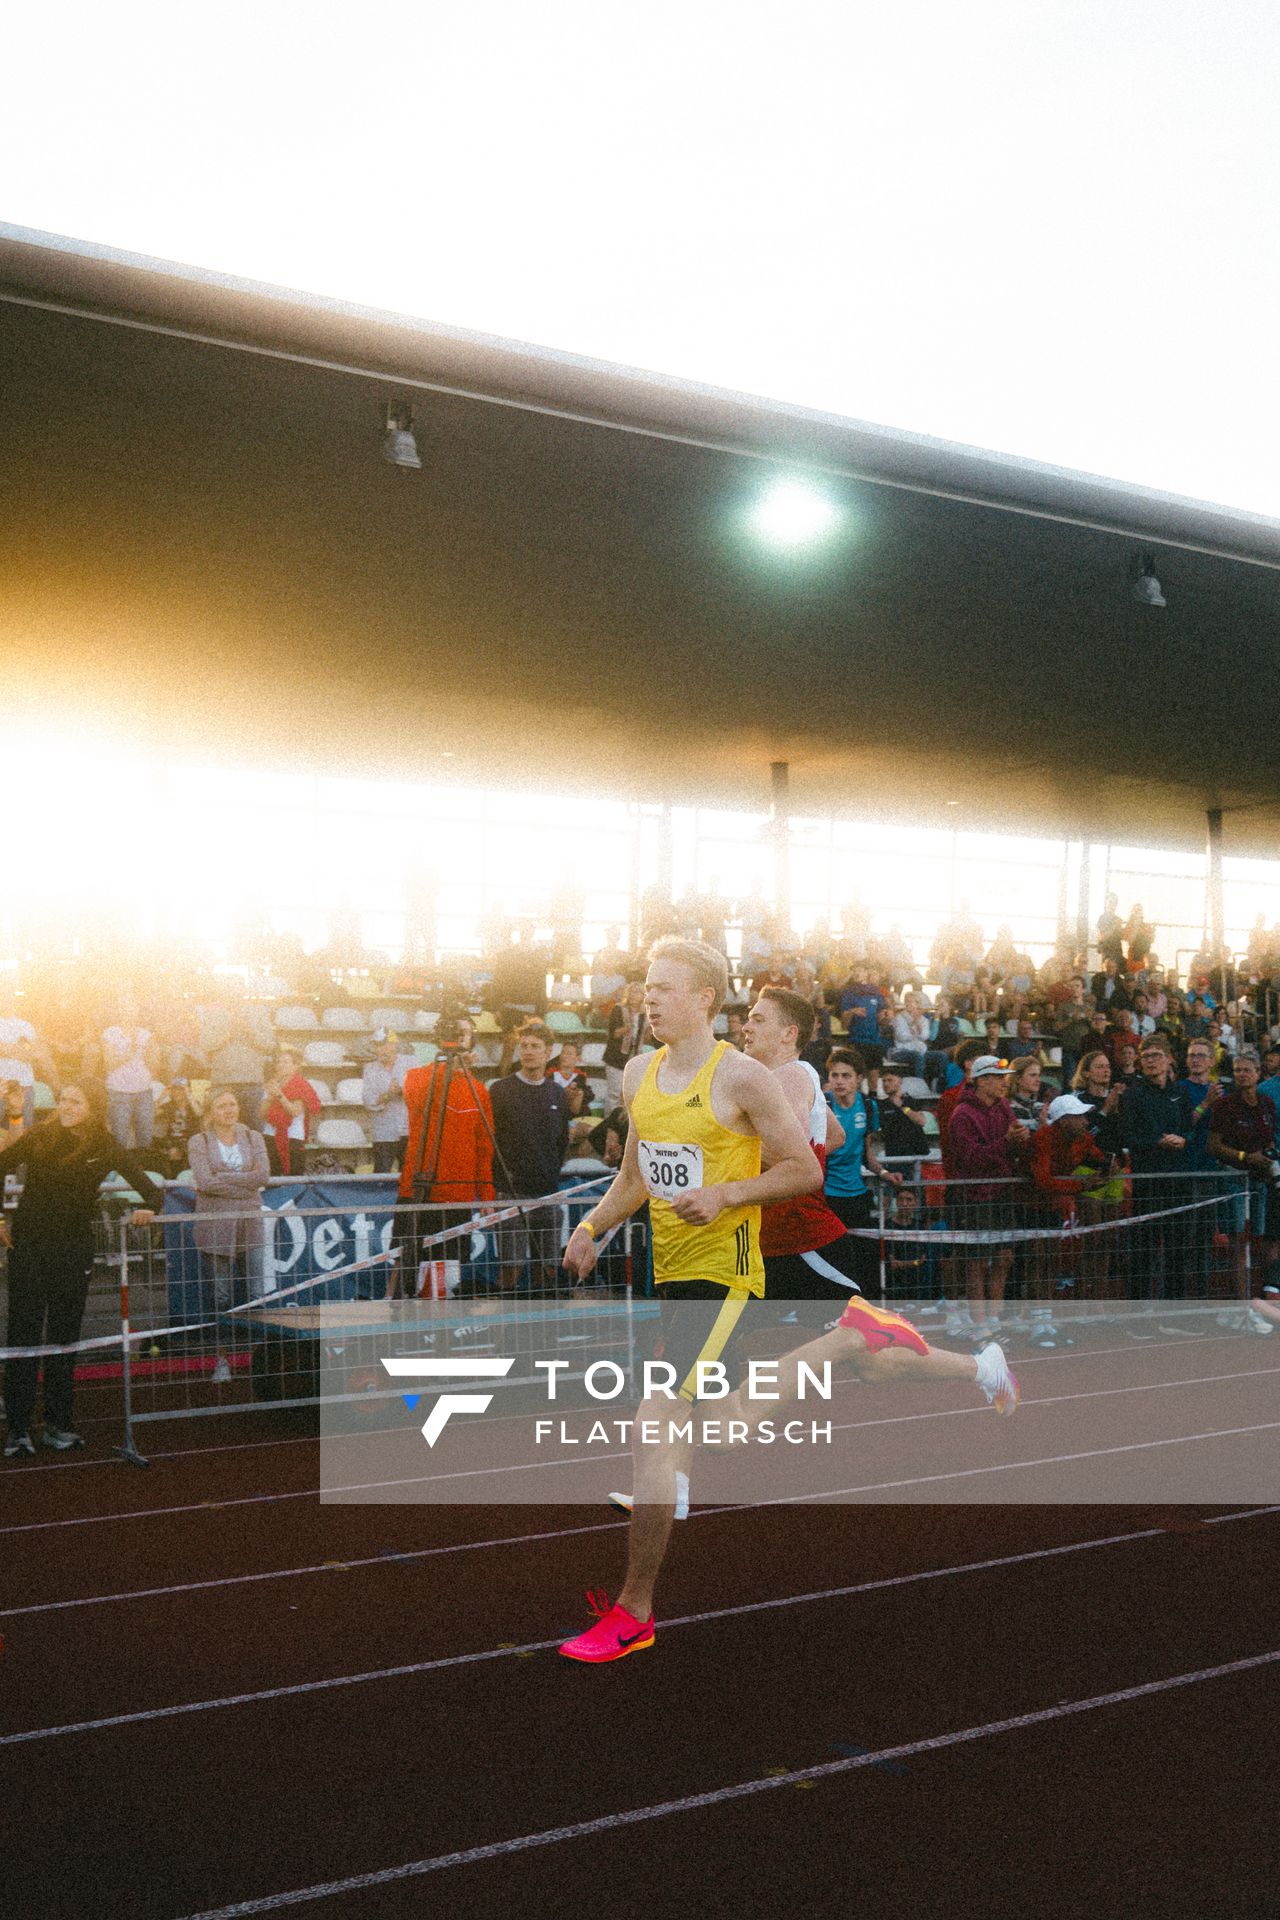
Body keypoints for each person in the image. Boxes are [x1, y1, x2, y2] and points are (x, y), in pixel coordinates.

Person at [557, 937, 823, 1662]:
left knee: (655, 1424)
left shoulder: (744, 1078)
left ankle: (634, 1610)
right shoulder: (639, 1073)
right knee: (726, 1419)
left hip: (728, 1276)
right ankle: (855, 1343)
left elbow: (803, 1169)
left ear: (705, 998)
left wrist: (729, 1192)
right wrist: (591, 1227)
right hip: (668, 1277)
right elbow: (636, 1178)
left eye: (665, 987)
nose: (648, 998)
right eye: (646, 985)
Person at [2, 1081, 163, 1457]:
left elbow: (150, 1188)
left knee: (63, 1340)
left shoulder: (104, 1143)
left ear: (92, 1107)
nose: (67, 1105)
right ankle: (18, 1429)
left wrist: (149, 1208)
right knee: (23, 1337)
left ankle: (58, 1424)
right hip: (29, 1248)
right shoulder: (41, 1135)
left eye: (75, 1100)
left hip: (73, 1252)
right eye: (63, 1099)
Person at [398, 1014, 495, 1295]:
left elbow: (484, 1147)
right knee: (408, 1267)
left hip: (458, 1195)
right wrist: (449, 1069)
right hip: (417, 1190)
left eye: (464, 1033)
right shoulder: (417, 1076)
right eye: (454, 1032)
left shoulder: (478, 1090)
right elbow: (415, 1098)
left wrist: (485, 1194)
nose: (459, 1038)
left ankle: (445, 1331)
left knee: (450, 1273)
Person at [188, 1087, 271, 1385]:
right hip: (216, 1225)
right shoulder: (198, 1141)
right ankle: (221, 1359)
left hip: (250, 1222)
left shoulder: (253, 1137)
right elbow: (204, 1180)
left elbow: (264, 1176)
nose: (229, 1110)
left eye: (233, 1104)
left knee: (255, 1294)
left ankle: (262, 1361)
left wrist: (223, 1179)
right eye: (221, 1105)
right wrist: (243, 1186)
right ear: (210, 1111)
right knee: (220, 1296)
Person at [946, 1055, 1029, 1336]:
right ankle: (980, 1324)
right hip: (974, 1197)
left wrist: (1020, 1139)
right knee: (976, 1262)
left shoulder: (1003, 1106)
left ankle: (993, 1320)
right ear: (982, 1080)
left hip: (1002, 1193)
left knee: (1004, 1257)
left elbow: (1010, 1142)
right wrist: (1007, 1143)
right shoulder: (962, 1115)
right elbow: (970, 1160)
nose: (1005, 1083)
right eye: (999, 1077)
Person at [489, 1020, 570, 1292]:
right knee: (510, 1269)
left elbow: (560, 1143)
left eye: (535, 1046)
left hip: (548, 1195)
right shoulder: (500, 1090)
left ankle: (544, 1330)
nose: (528, 1051)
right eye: (524, 1046)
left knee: (547, 1269)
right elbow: (492, 1142)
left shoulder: (558, 1093)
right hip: (512, 1195)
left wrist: (550, 1176)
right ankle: (506, 1331)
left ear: (548, 1052)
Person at [1206, 1049, 1277, 1333]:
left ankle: (1259, 1305)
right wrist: (1244, 1158)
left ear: (1259, 1073)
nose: (1241, 1075)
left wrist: (1268, 1157)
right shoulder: (1225, 1106)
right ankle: (1241, 1306)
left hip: (1262, 1181)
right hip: (1235, 1181)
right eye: (1237, 1070)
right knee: (1238, 1243)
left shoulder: (1267, 1104)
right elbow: (1213, 1146)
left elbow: (1269, 1138)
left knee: (1257, 1241)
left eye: (1247, 1070)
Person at [823, 1046, 901, 1230]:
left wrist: (884, 1173)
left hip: (856, 1193)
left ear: (859, 1079)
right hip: (826, 1195)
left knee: (861, 1253)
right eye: (835, 1075)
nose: (839, 1081)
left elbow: (866, 1154)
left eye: (846, 1076)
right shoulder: (821, 1105)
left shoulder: (868, 1106)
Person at [102, 1007, 161, 1149]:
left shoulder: (146, 1035)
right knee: (119, 1140)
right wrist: (131, 1051)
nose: (129, 1012)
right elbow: (109, 1063)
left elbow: (155, 1065)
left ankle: (144, 1169)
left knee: (145, 1140)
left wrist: (152, 1052)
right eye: (125, 1008)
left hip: (144, 1092)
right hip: (118, 1093)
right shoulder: (110, 1033)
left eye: (132, 1008)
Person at [263, 1046, 322, 1178]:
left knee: (294, 1176)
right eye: (278, 1062)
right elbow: (261, 1114)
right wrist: (268, 1099)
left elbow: (294, 1111)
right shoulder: (271, 1083)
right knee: (272, 1176)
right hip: (270, 1133)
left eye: (285, 1062)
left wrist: (279, 1095)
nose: (280, 1065)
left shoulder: (301, 1085)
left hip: (292, 1135)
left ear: (295, 1066)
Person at [362, 1029, 409, 1174]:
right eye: (377, 1046)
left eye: (384, 1045)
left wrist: (402, 1091)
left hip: (410, 1130)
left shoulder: (411, 1062)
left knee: (411, 1178)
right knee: (381, 1177)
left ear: (394, 1044)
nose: (380, 1050)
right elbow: (368, 1101)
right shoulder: (369, 1069)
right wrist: (389, 1095)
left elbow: (422, 1092)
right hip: (384, 1132)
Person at [603, 980, 647, 1107]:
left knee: (630, 1094)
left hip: (633, 1059)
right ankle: (610, 1124)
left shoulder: (644, 1015)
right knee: (615, 1094)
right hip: (615, 1058)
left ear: (643, 996)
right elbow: (614, 1034)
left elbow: (645, 1037)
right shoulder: (618, 1009)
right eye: (631, 992)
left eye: (637, 992)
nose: (633, 995)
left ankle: (623, 1124)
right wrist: (628, 1027)